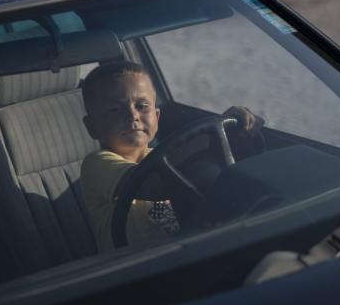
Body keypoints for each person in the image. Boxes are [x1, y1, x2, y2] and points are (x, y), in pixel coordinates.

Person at [80, 61, 262, 252]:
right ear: (92, 126)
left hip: (185, 252)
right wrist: (214, 136)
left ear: (157, 117)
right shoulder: (96, 164)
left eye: (142, 106)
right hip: (133, 270)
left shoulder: (166, 158)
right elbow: (150, 184)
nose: (132, 115)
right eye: (114, 110)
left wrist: (237, 139)